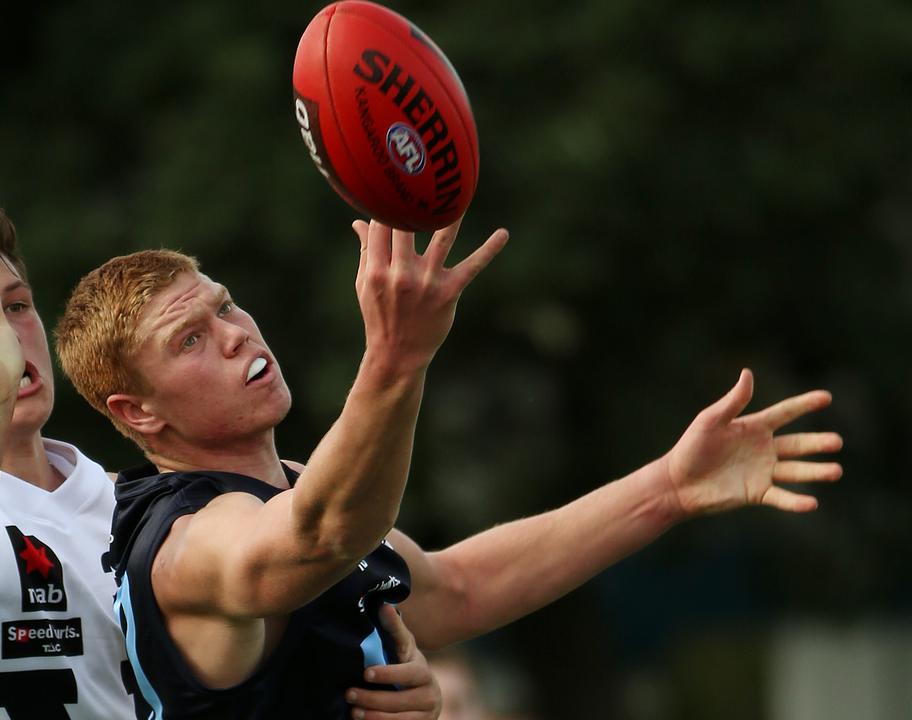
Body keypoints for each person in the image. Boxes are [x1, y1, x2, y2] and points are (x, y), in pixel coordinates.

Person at [55, 219, 843, 720]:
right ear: (137, 414)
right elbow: (320, 534)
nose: (232, 334)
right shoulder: (183, 540)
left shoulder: (286, 487)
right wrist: (397, 357)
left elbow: (457, 590)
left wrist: (668, 488)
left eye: (224, 306)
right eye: (188, 340)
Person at [0, 195, 440, 720]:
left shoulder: (130, 501)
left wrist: (381, 679)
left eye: (16, 305)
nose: (5, 334)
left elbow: (439, 591)